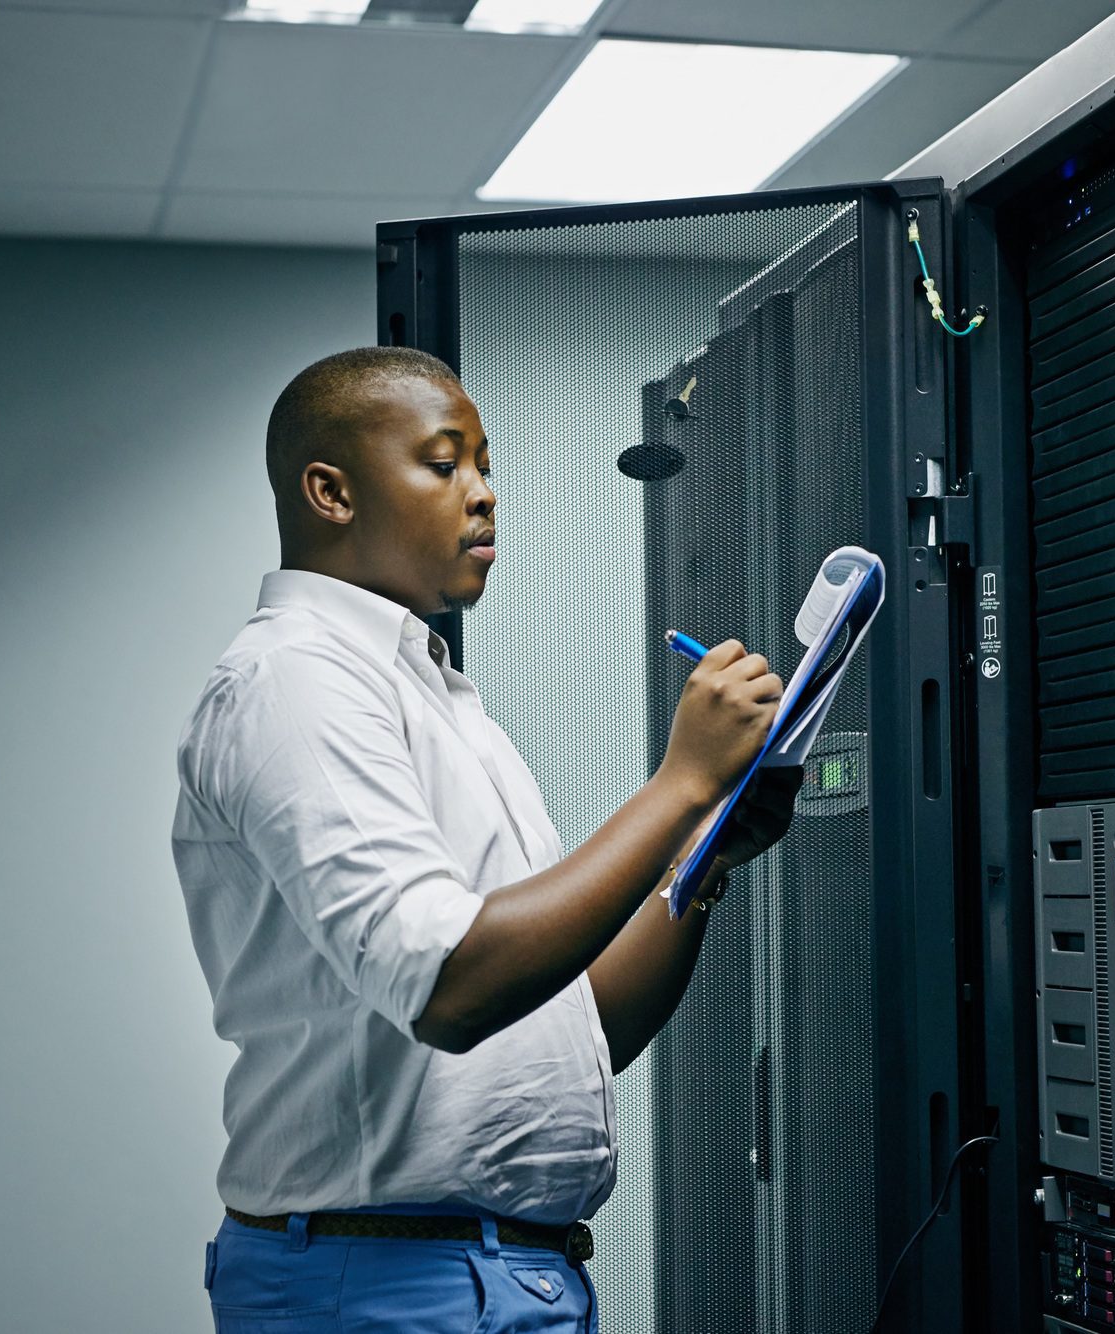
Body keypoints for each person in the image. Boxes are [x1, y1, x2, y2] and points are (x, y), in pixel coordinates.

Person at [172, 346, 802, 1333]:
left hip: (486, 1278)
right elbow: (452, 989)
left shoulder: (432, 696)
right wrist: (682, 782)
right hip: (382, 1290)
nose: (483, 495)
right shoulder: (294, 683)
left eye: (486, 465)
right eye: (443, 462)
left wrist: (703, 853)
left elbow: (570, 1031)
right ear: (330, 490)